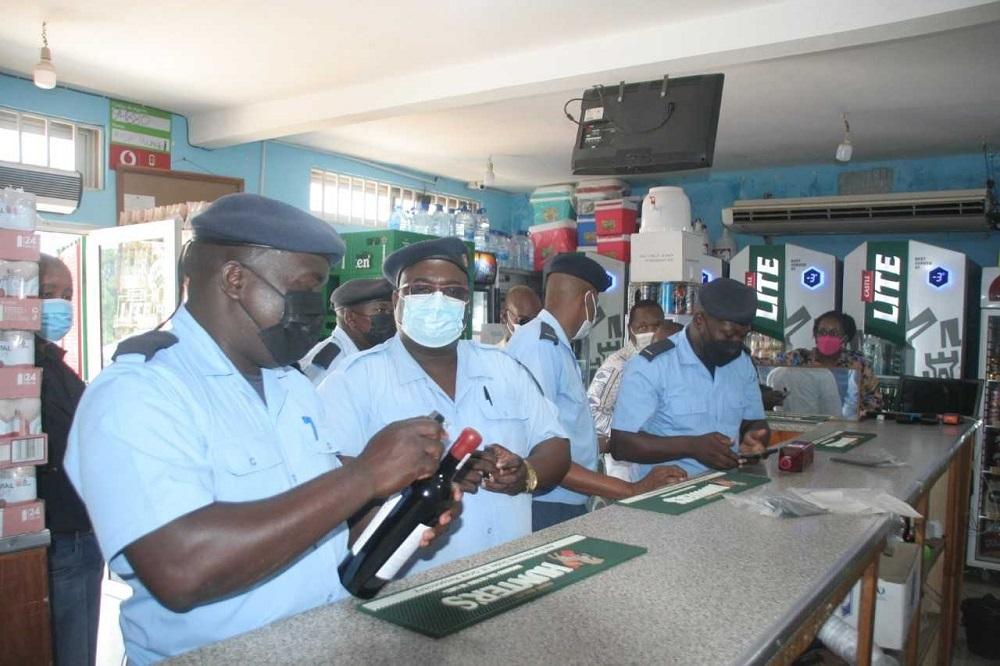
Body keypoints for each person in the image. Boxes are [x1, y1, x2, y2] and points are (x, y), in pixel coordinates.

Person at [65, 194, 455, 664]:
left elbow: (314, 530)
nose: (315, 310)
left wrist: (399, 516)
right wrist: (364, 476)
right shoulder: (139, 393)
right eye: (305, 289)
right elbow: (182, 568)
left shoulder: (291, 386)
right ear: (235, 279)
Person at [317, 237, 571, 574]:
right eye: (421, 289)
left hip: (511, 575)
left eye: (453, 292)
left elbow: (555, 444)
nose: (438, 301)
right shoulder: (352, 381)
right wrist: (431, 482)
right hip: (411, 586)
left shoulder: (504, 368)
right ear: (396, 300)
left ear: (466, 303)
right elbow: (331, 499)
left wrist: (525, 473)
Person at [507, 254, 686, 531]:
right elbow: (540, 451)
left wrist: (608, 443)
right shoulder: (540, 346)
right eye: (597, 303)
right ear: (589, 300)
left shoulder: (554, 344)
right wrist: (631, 489)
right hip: (548, 502)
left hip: (563, 499)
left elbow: (564, 428)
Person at [611, 278, 770, 479]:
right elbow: (621, 444)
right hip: (667, 491)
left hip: (729, 484)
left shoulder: (741, 363)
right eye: (729, 335)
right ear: (699, 320)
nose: (736, 344)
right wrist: (691, 446)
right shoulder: (652, 365)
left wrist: (754, 438)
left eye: (743, 336)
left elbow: (753, 422)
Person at [34, 254, 101, 666]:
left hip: (83, 530)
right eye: (48, 293)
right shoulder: (18, 372)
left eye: (68, 295)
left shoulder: (57, 366)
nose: (60, 305)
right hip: (57, 536)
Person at [587, 302, 677, 481]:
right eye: (643, 327)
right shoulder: (618, 365)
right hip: (624, 462)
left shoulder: (664, 361)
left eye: (656, 326)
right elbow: (592, 412)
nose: (650, 332)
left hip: (657, 452)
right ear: (630, 330)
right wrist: (629, 431)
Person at [774, 310, 881, 415]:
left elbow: (875, 402)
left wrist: (857, 413)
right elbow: (770, 369)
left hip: (845, 422)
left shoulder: (857, 363)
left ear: (844, 338)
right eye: (822, 332)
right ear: (815, 336)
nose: (827, 337)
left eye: (833, 333)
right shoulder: (798, 358)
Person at [298, 277, 395, 385]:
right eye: (380, 310)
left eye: (392, 311)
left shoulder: (379, 354)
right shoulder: (330, 367)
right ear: (350, 318)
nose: (390, 317)